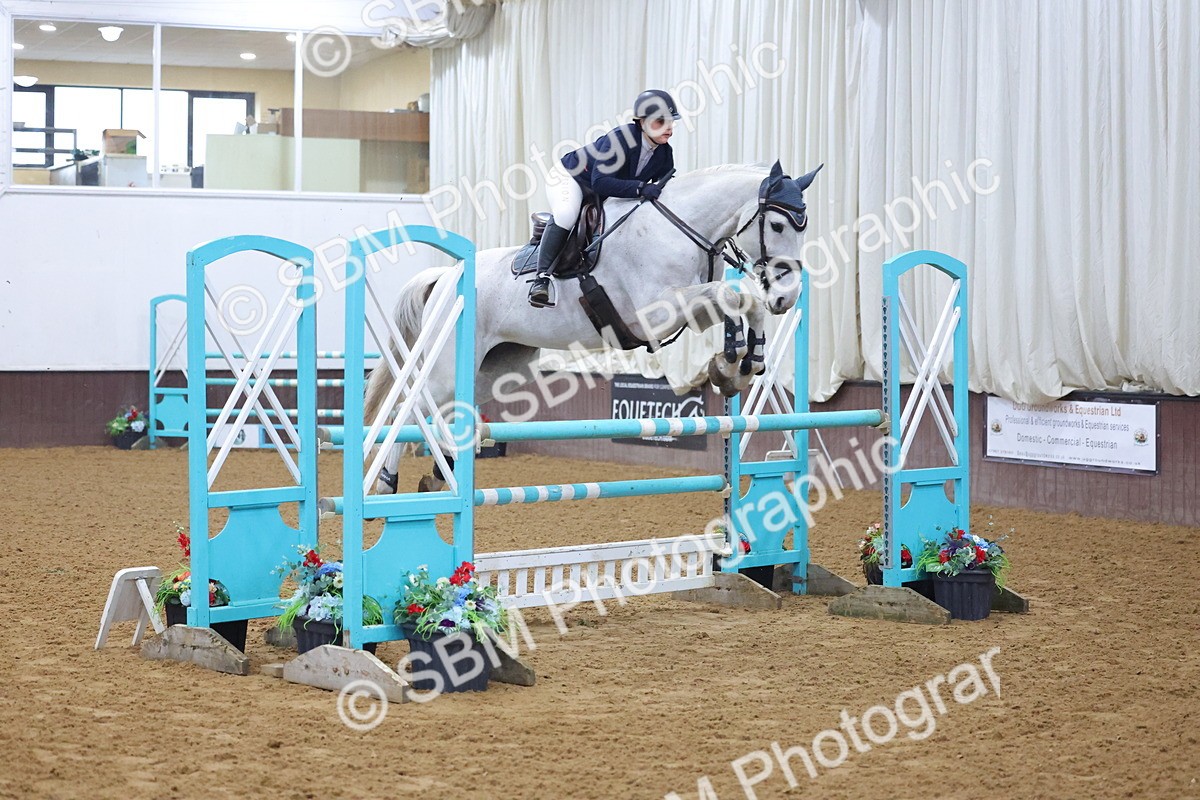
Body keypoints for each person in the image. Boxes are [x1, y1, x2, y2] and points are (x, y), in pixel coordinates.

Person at [528, 89, 680, 307]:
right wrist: (640, 188)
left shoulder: (664, 153)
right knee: (566, 214)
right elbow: (600, 181)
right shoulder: (621, 139)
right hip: (571, 177)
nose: (669, 128)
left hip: (603, 191)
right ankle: (541, 279)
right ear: (642, 122)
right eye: (661, 121)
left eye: (671, 122)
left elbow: (664, 189)